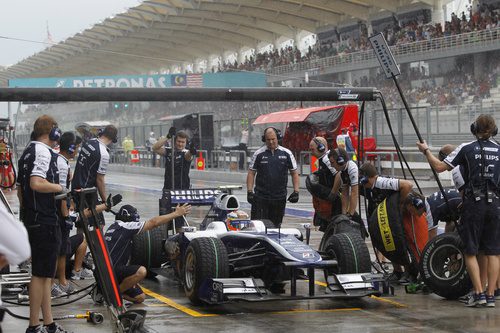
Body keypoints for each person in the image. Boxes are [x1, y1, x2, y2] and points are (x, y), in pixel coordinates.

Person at [417, 114, 500, 307]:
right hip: (495, 204)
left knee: (471, 251)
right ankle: (490, 296)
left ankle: (478, 294)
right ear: (494, 130)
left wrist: (426, 151)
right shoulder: (499, 150)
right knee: (494, 253)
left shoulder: (466, 148)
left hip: (474, 204)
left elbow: (439, 167)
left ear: (474, 129)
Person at [16, 115, 71, 333]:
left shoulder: (27, 152)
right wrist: (60, 188)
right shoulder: (42, 151)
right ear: (53, 133)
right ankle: (34, 326)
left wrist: (29, 212)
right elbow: (36, 183)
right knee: (40, 275)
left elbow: (21, 190)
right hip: (44, 220)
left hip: (34, 218)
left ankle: (48, 324)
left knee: (45, 274)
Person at [105, 203, 191, 303]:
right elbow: (153, 222)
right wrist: (176, 214)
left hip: (106, 270)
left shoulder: (112, 228)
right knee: (141, 271)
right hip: (111, 271)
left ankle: (110, 292)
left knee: (140, 297)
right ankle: (113, 295)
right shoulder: (125, 226)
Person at [358, 162, 414, 280]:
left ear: (366, 177)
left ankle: (409, 272)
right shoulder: (370, 187)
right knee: (387, 243)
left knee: (400, 242)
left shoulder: (381, 182)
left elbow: (408, 185)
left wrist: (400, 204)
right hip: (385, 219)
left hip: (397, 218)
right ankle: (397, 271)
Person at [246, 127, 300, 227]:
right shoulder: (258, 154)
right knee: (258, 226)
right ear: (264, 139)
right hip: (261, 197)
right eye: (268, 140)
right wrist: (249, 191)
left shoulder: (287, 153)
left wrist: (296, 191)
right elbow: (251, 173)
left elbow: (294, 173)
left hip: (279, 197)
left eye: (273, 139)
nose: (271, 142)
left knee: (276, 227)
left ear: (278, 138)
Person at [72, 125, 117, 205]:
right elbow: (100, 179)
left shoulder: (89, 141)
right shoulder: (103, 153)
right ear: (112, 139)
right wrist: (105, 201)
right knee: (96, 217)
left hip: (75, 187)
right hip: (85, 193)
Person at [307, 136, 341, 231]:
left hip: (336, 199)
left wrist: (333, 193)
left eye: (312, 149)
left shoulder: (327, 159)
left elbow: (339, 174)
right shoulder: (324, 158)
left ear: (321, 148)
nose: (311, 152)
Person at [328, 148, 359, 217]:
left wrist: (350, 215)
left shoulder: (352, 168)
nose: (331, 165)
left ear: (340, 161)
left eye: (332, 162)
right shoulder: (343, 172)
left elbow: (354, 194)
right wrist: (343, 214)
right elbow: (345, 194)